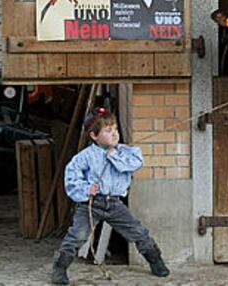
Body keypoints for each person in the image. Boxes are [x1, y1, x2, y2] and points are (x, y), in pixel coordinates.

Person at [51, 107, 169, 285]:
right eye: (108, 130)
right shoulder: (85, 156)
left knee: (137, 231)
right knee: (77, 235)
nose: (114, 134)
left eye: (115, 129)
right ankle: (60, 268)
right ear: (94, 136)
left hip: (114, 204)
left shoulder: (124, 151)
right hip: (91, 204)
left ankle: (156, 261)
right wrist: (86, 188)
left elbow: (135, 163)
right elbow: (71, 176)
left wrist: (114, 156)